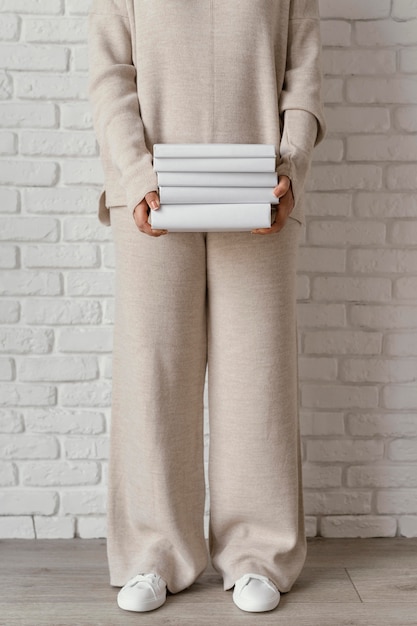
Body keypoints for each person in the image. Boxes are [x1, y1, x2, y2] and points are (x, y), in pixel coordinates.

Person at [88, 0, 326, 614]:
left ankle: (257, 554)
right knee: (154, 374)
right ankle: (152, 553)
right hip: (150, 194)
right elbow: (112, 73)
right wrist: (137, 176)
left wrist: (291, 165)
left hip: (258, 193)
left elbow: (302, 71)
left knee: (258, 376)